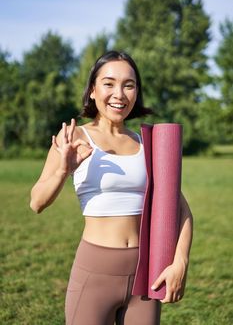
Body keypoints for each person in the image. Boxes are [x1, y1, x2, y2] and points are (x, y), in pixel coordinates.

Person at [30, 51, 193, 325]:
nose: (119, 93)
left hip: (146, 275)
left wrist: (180, 263)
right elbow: (36, 202)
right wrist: (63, 169)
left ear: (136, 93)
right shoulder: (74, 137)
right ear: (92, 90)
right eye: (109, 83)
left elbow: (182, 209)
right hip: (95, 273)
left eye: (128, 85)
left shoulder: (148, 144)